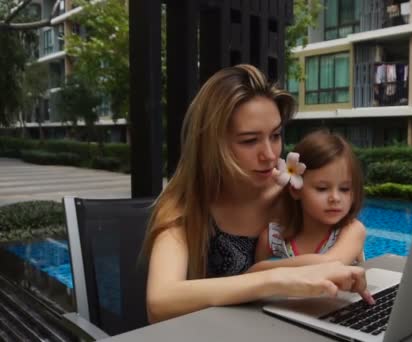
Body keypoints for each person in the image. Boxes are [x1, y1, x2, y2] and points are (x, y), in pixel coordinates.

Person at [141, 64, 373, 324]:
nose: (270, 154)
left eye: (275, 135)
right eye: (249, 141)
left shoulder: (294, 195)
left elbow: (340, 245)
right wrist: (274, 280)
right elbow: (159, 303)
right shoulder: (185, 206)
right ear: (211, 145)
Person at [249, 130, 366, 272]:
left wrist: (262, 268)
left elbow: (331, 264)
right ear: (295, 190)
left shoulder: (352, 229)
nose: (335, 198)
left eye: (345, 189)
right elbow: (256, 285)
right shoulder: (272, 238)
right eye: (322, 188)